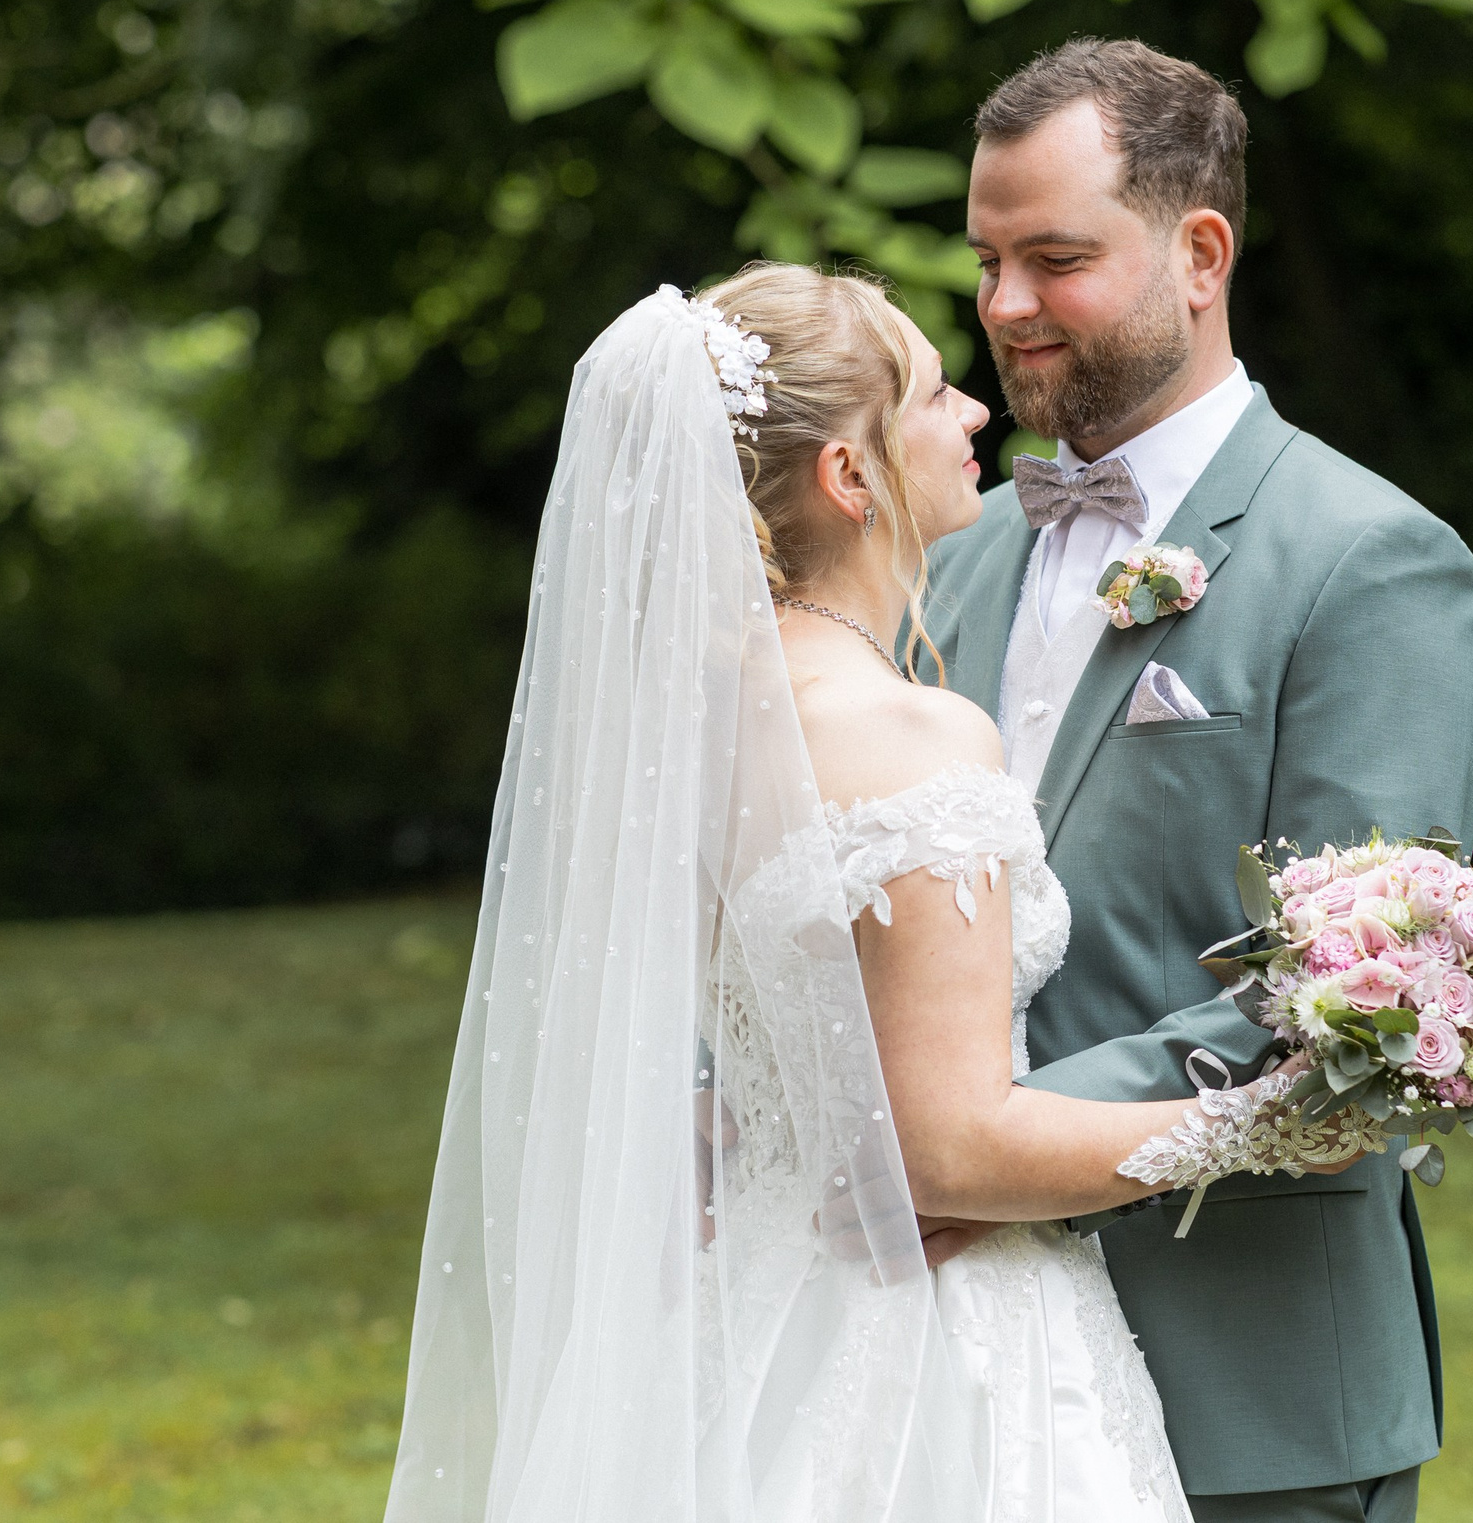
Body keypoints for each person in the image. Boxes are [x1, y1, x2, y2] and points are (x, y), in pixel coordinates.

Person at [385, 259, 1338, 1522]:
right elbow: (952, 1146)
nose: (977, 418)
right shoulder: (905, 737)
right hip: (933, 1344)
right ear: (848, 477)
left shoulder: (692, 729)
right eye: (936, 396)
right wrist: (1284, 1113)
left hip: (760, 1307)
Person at [918, 37, 1473, 1523]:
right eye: (986, 261)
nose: (1003, 307)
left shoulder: (1369, 561)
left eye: (1054, 257)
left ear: (1199, 250)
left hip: (1243, 1390)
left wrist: (977, 1150)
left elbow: (1352, 990)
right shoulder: (954, 550)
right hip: (942, 1367)